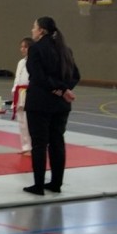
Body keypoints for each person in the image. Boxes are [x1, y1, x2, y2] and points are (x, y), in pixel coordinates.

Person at [23, 17, 80, 195]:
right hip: (61, 105)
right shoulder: (65, 49)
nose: (32, 31)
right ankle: (56, 183)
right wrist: (64, 90)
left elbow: (38, 76)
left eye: (34, 27)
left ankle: (38, 185)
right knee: (57, 143)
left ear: (41, 31)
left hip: (40, 103)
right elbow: (75, 75)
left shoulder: (36, 49)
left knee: (39, 145)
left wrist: (58, 88)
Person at [11, 37, 33, 156]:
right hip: (19, 93)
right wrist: (14, 89)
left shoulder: (34, 61)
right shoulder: (21, 62)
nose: (22, 49)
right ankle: (25, 146)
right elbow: (17, 78)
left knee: (29, 121)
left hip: (29, 92)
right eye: (21, 47)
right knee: (21, 121)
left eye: (25, 47)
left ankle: (32, 147)